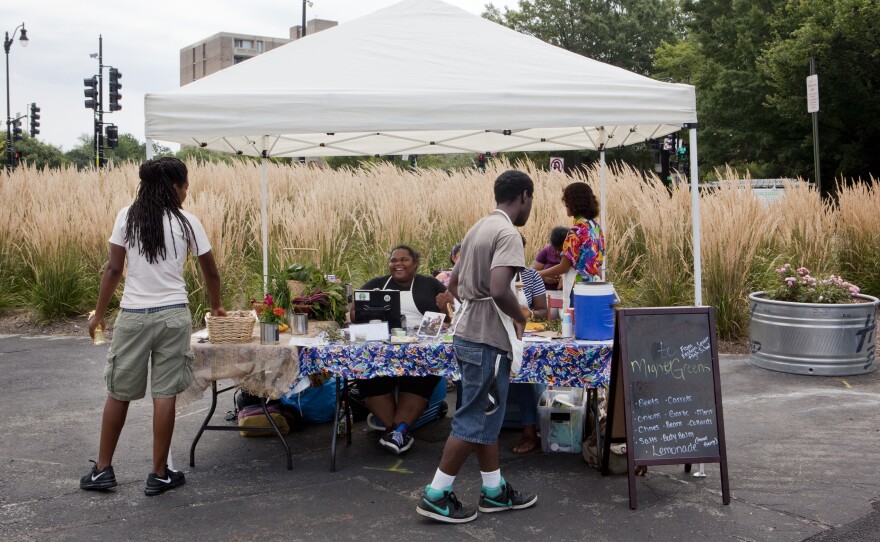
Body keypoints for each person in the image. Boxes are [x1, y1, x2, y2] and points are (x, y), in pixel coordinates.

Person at [81, 157, 226, 496]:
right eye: (185, 185)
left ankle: (103, 470)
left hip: (133, 316)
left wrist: (99, 314)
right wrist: (216, 305)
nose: (187, 191)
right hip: (173, 315)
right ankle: (158, 474)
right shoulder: (188, 222)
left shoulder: (126, 217)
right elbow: (212, 271)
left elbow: (113, 269)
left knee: (119, 392)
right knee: (164, 395)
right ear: (173, 186)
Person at [416, 170, 538, 524]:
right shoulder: (508, 233)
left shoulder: (478, 227)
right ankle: (436, 494)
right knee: (472, 417)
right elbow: (500, 290)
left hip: (467, 331)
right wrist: (521, 316)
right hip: (488, 336)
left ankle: (494, 490)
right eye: (531, 201)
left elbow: (452, 282)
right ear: (524, 197)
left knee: (485, 413)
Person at [350, 245, 455, 455]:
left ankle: (396, 431)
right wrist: (364, 310)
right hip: (383, 347)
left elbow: (452, 318)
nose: (398, 264)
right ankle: (399, 431)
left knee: (423, 371)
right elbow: (353, 314)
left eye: (404, 260)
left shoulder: (430, 284)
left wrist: (444, 307)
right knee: (365, 371)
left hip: (421, 348)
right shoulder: (376, 285)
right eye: (393, 260)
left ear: (415, 264)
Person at [537, 182, 605, 306]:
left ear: (573, 203)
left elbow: (564, 266)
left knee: (575, 323)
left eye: (566, 202)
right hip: (595, 287)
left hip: (578, 289)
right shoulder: (596, 228)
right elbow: (598, 262)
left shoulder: (576, 231)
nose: (565, 206)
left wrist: (537, 274)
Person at [509, 233, 547, 454]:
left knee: (521, 370)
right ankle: (475, 433)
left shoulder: (532, 276)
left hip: (525, 334)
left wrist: (529, 313)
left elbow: (544, 311)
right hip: (496, 333)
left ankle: (529, 431)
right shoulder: (490, 276)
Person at [532, 226, 569, 290]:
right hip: (546, 292)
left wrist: (565, 278)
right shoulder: (546, 251)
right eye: (555, 249)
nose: (558, 253)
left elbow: (563, 268)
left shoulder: (573, 253)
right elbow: (532, 274)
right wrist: (544, 278)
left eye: (561, 250)